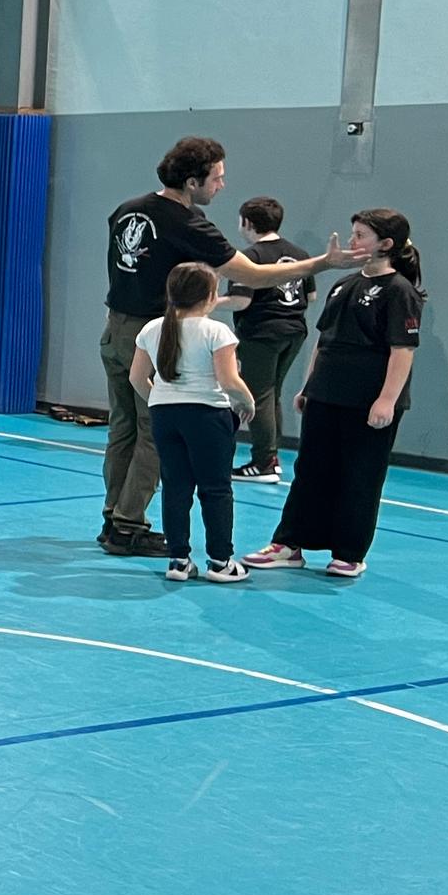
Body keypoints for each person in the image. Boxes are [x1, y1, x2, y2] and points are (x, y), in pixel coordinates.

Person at [98, 137, 343, 557]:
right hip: (159, 336)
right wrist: (322, 264)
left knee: (123, 428)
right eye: (217, 178)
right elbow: (255, 274)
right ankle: (127, 525)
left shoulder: (128, 209)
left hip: (117, 329)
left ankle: (114, 516)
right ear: (193, 182)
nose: (222, 186)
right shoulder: (186, 222)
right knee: (155, 433)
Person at [248, 210, 425, 582]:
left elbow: (402, 350)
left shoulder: (399, 292)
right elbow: (323, 339)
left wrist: (386, 400)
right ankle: (289, 544)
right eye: (353, 233)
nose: (352, 241)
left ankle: (349, 552)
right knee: (310, 471)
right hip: (326, 394)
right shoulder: (343, 284)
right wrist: (309, 386)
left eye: (361, 235)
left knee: (360, 476)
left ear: (386, 245)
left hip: (365, 401)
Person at [128, 262, 257, 584]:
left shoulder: (152, 329)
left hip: (164, 415)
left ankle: (179, 560)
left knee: (175, 487)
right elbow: (229, 380)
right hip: (207, 416)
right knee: (215, 489)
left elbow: (136, 377)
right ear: (211, 296)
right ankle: (220, 561)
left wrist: (161, 399)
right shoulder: (216, 331)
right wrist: (248, 401)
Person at [217, 196, 314, 485]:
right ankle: (270, 456)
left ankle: (264, 462)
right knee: (272, 394)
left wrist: (207, 303)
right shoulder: (300, 253)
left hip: (261, 333)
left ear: (246, 222)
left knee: (257, 395)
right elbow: (311, 296)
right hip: (294, 331)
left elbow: (240, 301)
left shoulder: (249, 257)